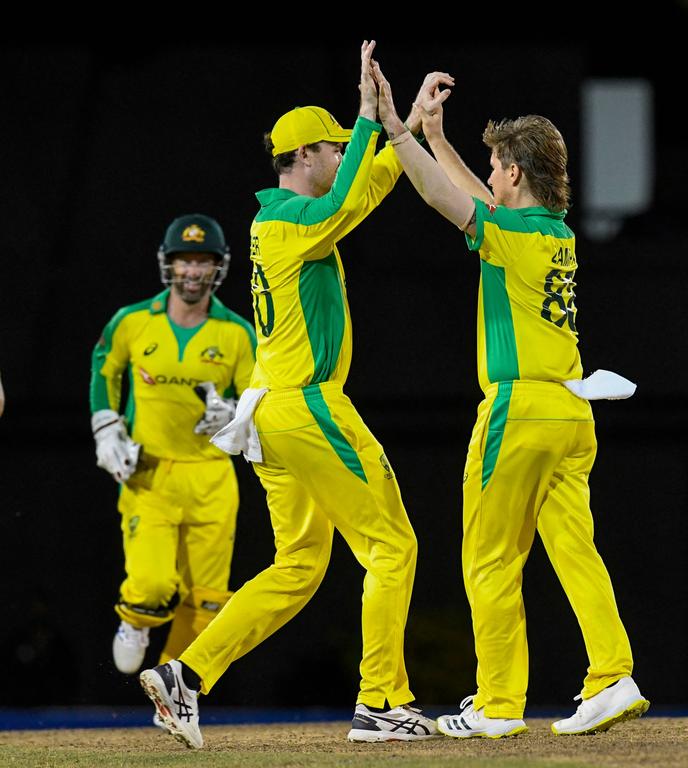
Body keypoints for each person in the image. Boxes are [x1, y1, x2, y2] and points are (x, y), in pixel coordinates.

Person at [139, 42, 445, 749]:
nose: (342, 157)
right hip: (307, 405)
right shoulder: (282, 221)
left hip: (273, 412)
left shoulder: (291, 218)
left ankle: (187, 674)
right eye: (334, 148)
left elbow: (357, 194)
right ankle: (378, 703)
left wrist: (405, 128)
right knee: (394, 546)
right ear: (305, 154)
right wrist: (368, 116)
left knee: (300, 566)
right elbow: (345, 200)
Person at [369, 60, 649, 738]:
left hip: (517, 412)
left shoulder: (513, 236)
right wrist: (436, 137)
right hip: (570, 412)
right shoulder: (553, 235)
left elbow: (446, 201)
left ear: (516, 174)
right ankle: (612, 677)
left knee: (490, 558)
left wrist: (396, 129)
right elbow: (478, 200)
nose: (490, 175)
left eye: (497, 166)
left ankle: (497, 706)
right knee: (576, 551)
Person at [90, 213, 255, 682]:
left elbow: (257, 396)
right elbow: (105, 368)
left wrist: (235, 416)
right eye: (184, 262)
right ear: (169, 265)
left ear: (217, 268)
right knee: (152, 586)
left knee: (208, 604)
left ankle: (174, 691)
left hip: (211, 477)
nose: (192, 272)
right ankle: (135, 621)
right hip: (150, 474)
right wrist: (105, 425)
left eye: (202, 262)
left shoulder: (237, 333)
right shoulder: (132, 321)